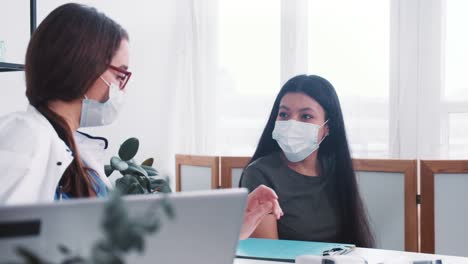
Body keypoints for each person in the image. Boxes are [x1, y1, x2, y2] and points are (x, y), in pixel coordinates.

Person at [0, 3, 282, 240]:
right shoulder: (26, 135)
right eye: (120, 74)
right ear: (84, 66)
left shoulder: (79, 152)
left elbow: (119, 243)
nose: (122, 87)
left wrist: (232, 226)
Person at [239, 75, 374, 247]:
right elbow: (268, 254)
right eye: (284, 114)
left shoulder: (335, 169)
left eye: (306, 116)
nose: (292, 123)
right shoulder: (259, 174)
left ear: (327, 127)